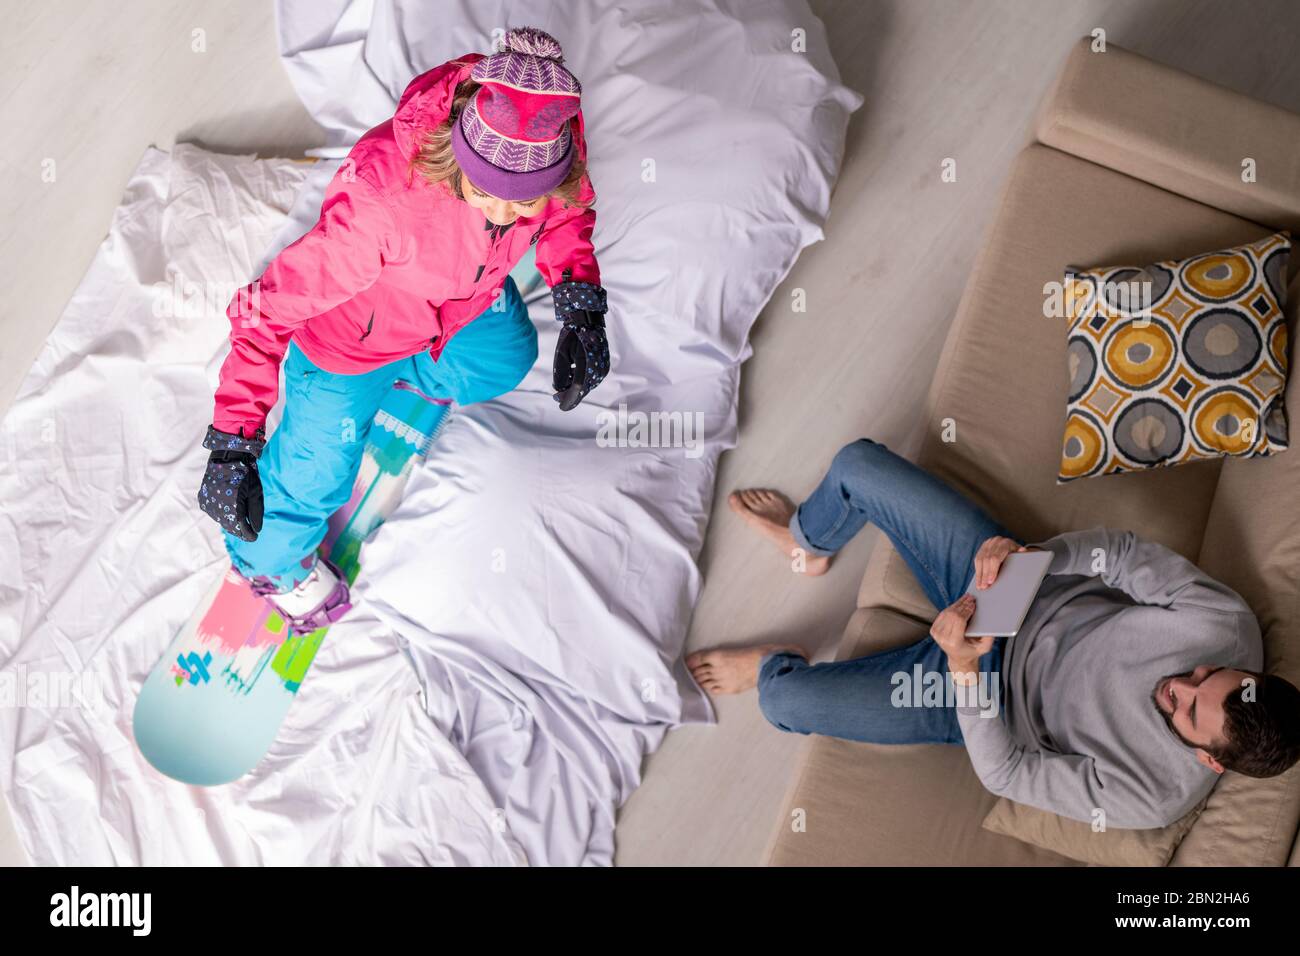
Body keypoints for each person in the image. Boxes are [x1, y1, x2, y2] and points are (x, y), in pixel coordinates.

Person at [196, 27, 610, 633]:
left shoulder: (554, 146)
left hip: (450, 311)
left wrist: (579, 300)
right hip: (344, 349)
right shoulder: (382, 208)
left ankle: (407, 376)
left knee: (511, 354)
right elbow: (266, 312)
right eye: (485, 194)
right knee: (319, 477)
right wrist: (234, 440)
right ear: (458, 159)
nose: (504, 214)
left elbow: (568, 211)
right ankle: (270, 566)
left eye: (522, 204)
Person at [688, 438, 1300, 829]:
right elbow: (1117, 556)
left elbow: (1005, 774)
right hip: (1021, 594)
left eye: (1188, 710)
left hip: (977, 695)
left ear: (1207, 761)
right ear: (1245, 673)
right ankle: (807, 544)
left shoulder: (1152, 797)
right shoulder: (1226, 625)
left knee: (780, 701)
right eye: (1205, 675)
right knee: (855, 465)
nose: (1180, 684)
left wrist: (962, 668)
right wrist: (1025, 564)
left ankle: (777, 663)